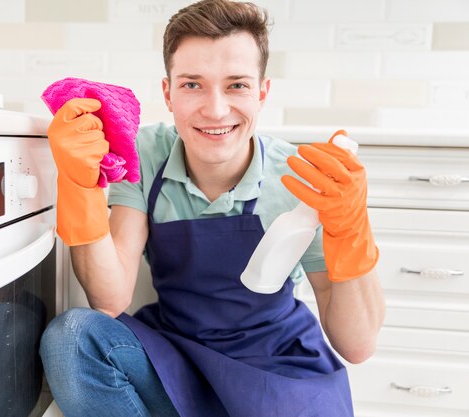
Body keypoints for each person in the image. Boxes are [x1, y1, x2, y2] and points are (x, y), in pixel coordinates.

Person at [39, 0, 385, 416]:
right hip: (174, 356)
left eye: (236, 85)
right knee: (73, 336)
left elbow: (357, 345)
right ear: (167, 93)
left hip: (276, 368)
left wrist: (350, 232)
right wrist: (83, 187)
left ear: (262, 92)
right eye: (192, 85)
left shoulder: (300, 177)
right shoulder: (148, 154)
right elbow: (109, 299)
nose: (215, 109)